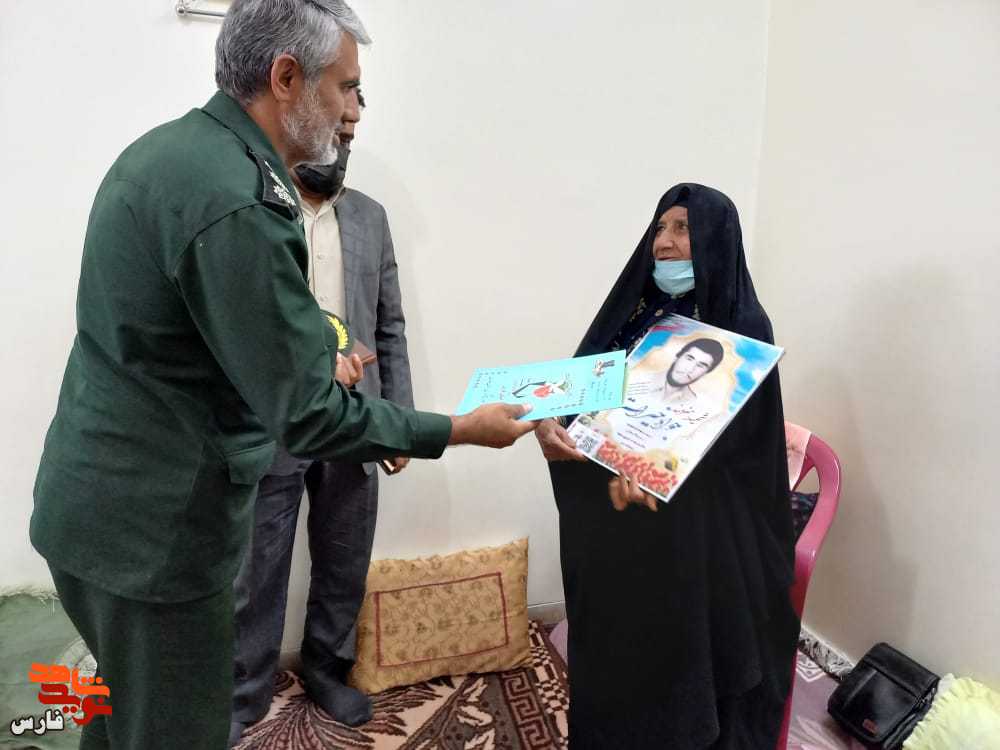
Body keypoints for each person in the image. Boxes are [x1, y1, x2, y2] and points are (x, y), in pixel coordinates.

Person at [29, 2, 535, 748]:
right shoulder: (240, 198)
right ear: (287, 77)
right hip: (154, 539)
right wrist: (458, 428)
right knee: (172, 729)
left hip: (93, 509)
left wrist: (311, 353)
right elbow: (309, 417)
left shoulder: (168, 153)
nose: (352, 110)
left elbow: (187, 332)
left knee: (118, 715)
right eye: (345, 86)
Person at [535, 183, 799, 748]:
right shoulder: (637, 311)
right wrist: (552, 422)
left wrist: (662, 472)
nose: (665, 242)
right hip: (616, 511)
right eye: (660, 228)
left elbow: (745, 453)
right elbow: (583, 391)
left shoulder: (744, 327)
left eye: (683, 228)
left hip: (700, 525)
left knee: (670, 662)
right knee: (612, 650)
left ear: (716, 240)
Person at [230, 90, 413, 741]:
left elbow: (388, 324)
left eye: (348, 140)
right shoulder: (258, 209)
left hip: (354, 418)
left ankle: (327, 670)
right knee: (258, 565)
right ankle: (244, 688)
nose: (339, 149)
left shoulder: (370, 217)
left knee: (344, 552)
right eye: (332, 136)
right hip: (277, 415)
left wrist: (398, 419)